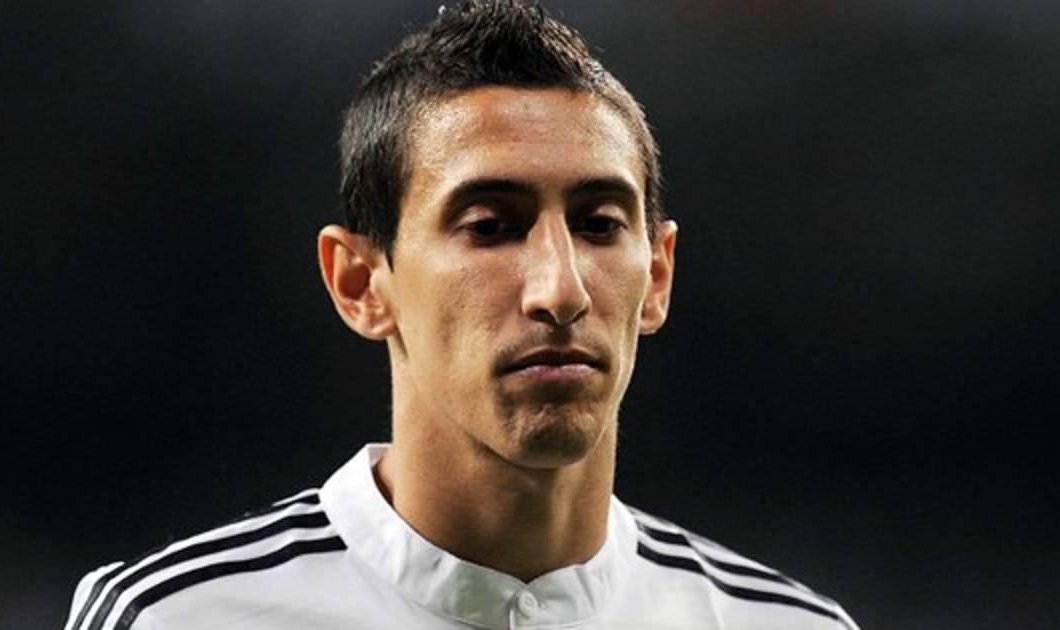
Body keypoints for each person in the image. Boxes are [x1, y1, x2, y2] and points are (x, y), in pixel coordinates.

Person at [64, 2, 858, 628]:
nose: (560, 290)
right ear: (359, 283)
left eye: (599, 225)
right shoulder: (173, 618)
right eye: (490, 226)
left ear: (657, 276)